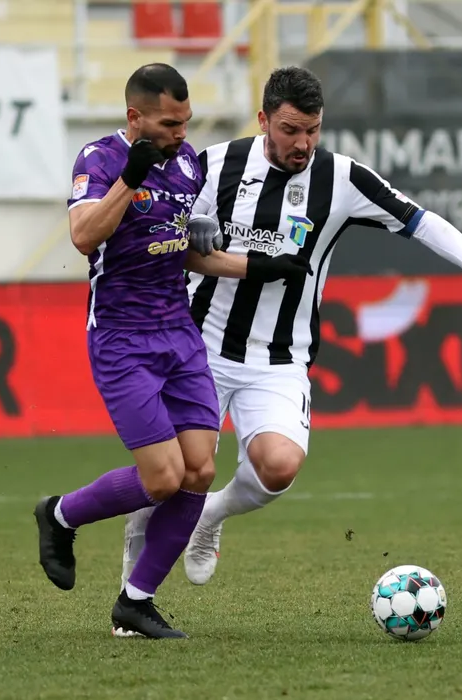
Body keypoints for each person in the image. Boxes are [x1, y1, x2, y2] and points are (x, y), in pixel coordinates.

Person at [120, 65, 462, 590]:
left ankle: (210, 515)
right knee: (172, 472)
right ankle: (133, 586)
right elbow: (161, 222)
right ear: (263, 121)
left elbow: (419, 220)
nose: (303, 143)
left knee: (278, 467)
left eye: (313, 130)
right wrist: (192, 225)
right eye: (290, 130)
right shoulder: (216, 162)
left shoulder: (341, 178)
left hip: (280, 356)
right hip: (198, 347)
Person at [32, 63, 308, 639]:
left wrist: (257, 266)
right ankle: (59, 514)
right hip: (121, 339)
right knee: (162, 478)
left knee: (199, 471)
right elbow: (84, 236)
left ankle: (136, 601)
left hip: (180, 335)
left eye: (185, 122)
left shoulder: (186, 164)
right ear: (135, 117)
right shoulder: (100, 160)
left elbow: (181, 248)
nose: (182, 134)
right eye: (168, 124)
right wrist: (129, 179)